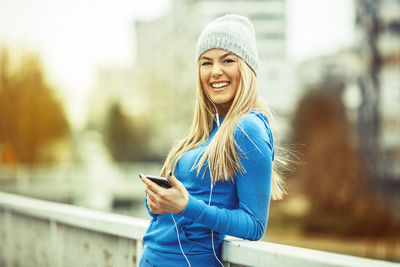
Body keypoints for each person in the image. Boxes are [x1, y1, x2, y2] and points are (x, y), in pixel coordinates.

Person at [139, 14, 286, 267]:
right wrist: (157, 199)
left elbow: (254, 225)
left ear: (247, 68)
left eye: (227, 60)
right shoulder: (205, 132)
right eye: (206, 63)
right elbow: (178, 206)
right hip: (151, 258)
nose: (216, 71)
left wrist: (186, 205)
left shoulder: (247, 128)